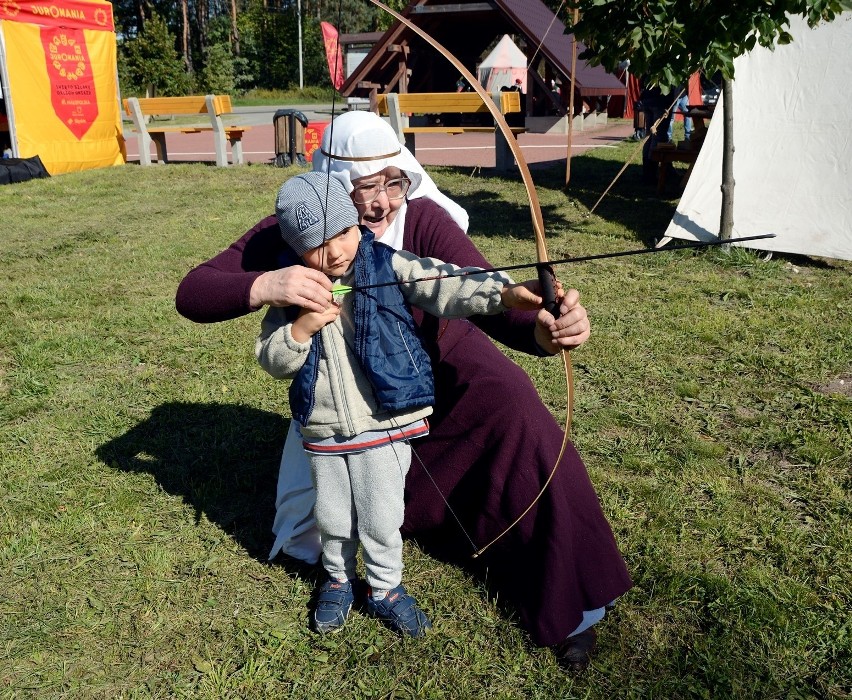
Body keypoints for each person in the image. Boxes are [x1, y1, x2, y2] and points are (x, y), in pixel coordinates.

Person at [175, 110, 632, 673]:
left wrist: (544, 326)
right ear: (333, 190)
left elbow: (477, 289)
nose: (380, 204)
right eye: (362, 190)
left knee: (516, 406)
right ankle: (375, 558)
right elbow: (194, 292)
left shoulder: (425, 221)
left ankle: (574, 602)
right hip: (346, 402)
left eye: (393, 183)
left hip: (437, 361)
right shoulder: (294, 227)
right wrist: (270, 283)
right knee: (311, 531)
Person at [258, 171, 544, 637]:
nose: (335, 251)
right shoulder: (291, 293)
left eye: (344, 233)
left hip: (386, 418)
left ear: (357, 225)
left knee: (382, 513)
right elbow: (273, 358)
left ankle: (386, 587)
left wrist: (505, 293)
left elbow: (444, 283)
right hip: (325, 428)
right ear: (295, 250)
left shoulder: (386, 264)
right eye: (317, 244)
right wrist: (301, 329)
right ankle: (337, 581)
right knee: (333, 516)